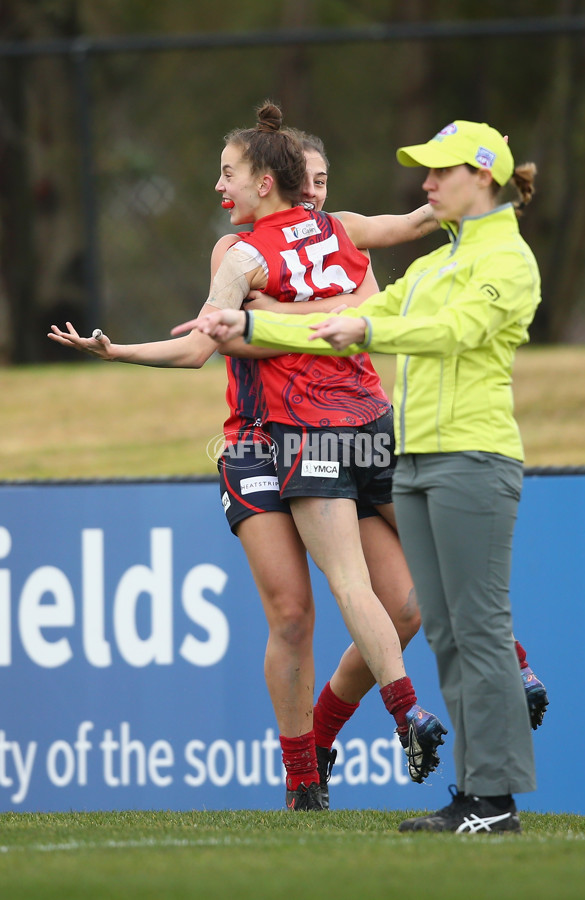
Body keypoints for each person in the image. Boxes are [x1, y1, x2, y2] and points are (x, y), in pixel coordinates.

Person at [49, 101, 447, 812]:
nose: (218, 185)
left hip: (350, 429)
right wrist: (116, 350)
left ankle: (327, 734)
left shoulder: (337, 234)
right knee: (293, 613)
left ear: (270, 180)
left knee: (410, 606)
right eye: (311, 180)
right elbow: (207, 343)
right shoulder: (239, 254)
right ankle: (303, 784)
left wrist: (487, 183)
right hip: (261, 441)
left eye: (227, 171)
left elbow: (365, 317)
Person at [189, 119, 542, 833]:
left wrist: (353, 325)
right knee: (389, 620)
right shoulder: (434, 261)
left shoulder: (487, 258)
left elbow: (434, 322)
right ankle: (444, 791)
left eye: (442, 170)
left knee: (448, 617)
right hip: (345, 449)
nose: (427, 182)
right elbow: (361, 310)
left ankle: (487, 790)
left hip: (436, 448)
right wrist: (254, 329)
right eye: (427, 170)